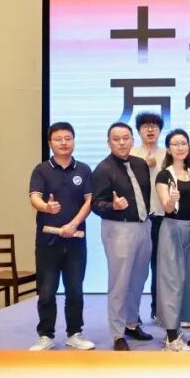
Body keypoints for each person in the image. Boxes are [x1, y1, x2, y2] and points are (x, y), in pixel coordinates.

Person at [27, 122, 95, 351]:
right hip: (48, 241)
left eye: (68, 138)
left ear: (74, 141)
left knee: (75, 289)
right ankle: (45, 335)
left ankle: (75, 333)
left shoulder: (83, 169)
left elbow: (89, 201)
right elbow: (34, 198)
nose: (64, 143)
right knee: (47, 290)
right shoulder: (41, 170)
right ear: (50, 143)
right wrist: (46, 207)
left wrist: (73, 224)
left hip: (76, 240)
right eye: (58, 139)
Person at [91, 122, 154, 351]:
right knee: (119, 282)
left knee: (138, 279)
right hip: (118, 229)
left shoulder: (140, 164)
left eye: (126, 138)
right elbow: (96, 204)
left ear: (132, 140)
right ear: (108, 143)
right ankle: (117, 333)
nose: (122, 143)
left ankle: (131, 323)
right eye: (116, 139)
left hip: (143, 226)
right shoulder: (103, 169)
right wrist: (113, 206)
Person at [153, 129, 190, 352]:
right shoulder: (164, 175)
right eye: (175, 144)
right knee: (171, 281)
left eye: (183, 143)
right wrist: (172, 200)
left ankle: (175, 331)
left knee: (188, 281)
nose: (180, 147)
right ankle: (171, 337)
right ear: (169, 149)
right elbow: (167, 207)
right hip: (172, 229)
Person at [130, 111, 167, 323]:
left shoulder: (167, 153)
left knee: (159, 267)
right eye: (145, 126)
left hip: (161, 216)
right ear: (139, 131)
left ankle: (158, 309)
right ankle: (132, 314)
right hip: (138, 217)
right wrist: (144, 165)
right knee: (137, 267)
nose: (150, 130)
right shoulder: (131, 153)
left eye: (154, 126)